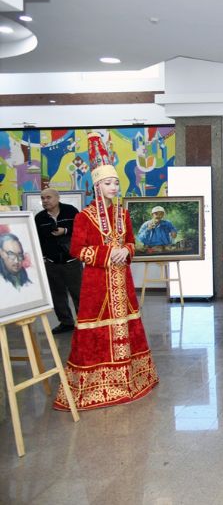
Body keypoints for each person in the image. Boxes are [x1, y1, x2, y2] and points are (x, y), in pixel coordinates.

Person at [54, 132, 158, 411]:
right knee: (95, 329)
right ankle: (96, 387)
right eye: (108, 183)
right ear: (97, 185)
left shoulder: (123, 214)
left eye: (116, 183)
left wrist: (127, 251)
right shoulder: (84, 217)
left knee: (127, 324)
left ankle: (132, 380)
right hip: (97, 284)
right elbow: (77, 250)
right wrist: (107, 253)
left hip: (122, 282)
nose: (113, 187)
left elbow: (131, 242)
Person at [34, 188, 83, 334]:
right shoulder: (39, 218)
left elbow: (81, 230)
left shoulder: (71, 211)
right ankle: (66, 322)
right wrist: (42, 259)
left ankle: (84, 322)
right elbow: (37, 239)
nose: (45, 201)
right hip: (51, 263)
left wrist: (65, 231)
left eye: (48, 197)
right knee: (57, 295)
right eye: (42, 198)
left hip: (72, 261)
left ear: (57, 197)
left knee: (79, 293)